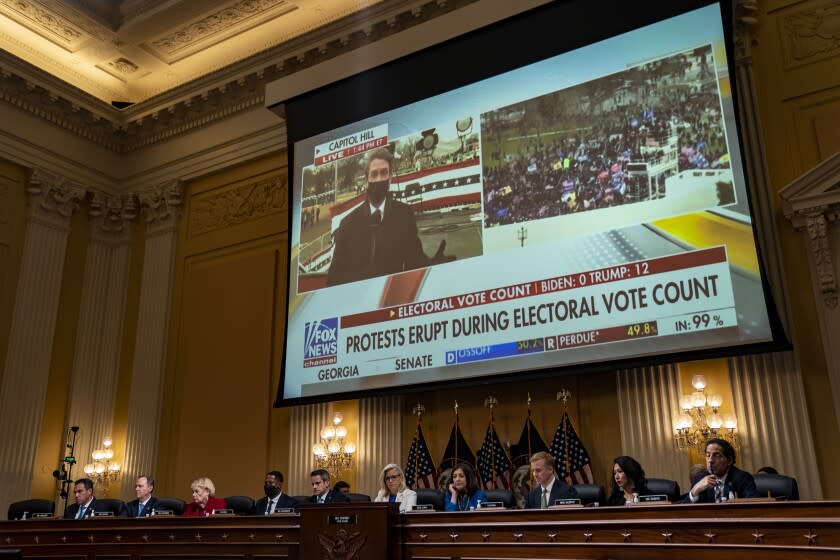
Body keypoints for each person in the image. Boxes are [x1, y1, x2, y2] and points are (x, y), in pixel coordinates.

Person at [326, 147, 454, 286]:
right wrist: (365, 277)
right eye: (374, 174)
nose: (379, 178)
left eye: (384, 173)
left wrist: (431, 267)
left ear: (390, 178)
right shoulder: (348, 224)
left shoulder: (404, 215)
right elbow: (334, 278)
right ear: (366, 181)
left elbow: (415, 262)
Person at [685, 438, 758, 503]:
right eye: (708, 455)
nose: (710, 460)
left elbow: (753, 506)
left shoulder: (743, 478)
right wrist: (694, 491)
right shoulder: (699, 480)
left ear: (729, 460)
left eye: (717, 455)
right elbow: (683, 511)